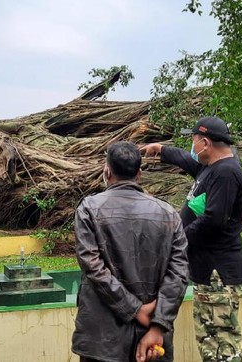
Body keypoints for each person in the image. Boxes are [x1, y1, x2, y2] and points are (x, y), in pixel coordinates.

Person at [141, 116, 242, 362]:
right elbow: (186, 160)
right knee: (212, 340)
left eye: (194, 141)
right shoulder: (211, 167)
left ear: (206, 143)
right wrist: (161, 150)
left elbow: (213, 220)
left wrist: (176, 237)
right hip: (208, 273)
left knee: (221, 346)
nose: (192, 146)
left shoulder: (226, 173)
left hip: (218, 275)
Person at [72, 141, 189, 362]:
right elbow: (179, 274)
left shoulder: (88, 209)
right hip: (152, 341)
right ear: (140, 173)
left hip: (102, 341)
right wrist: (158, 325)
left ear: (107, 171)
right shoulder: (169, 214)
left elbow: (93, 268)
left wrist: (135, 310)